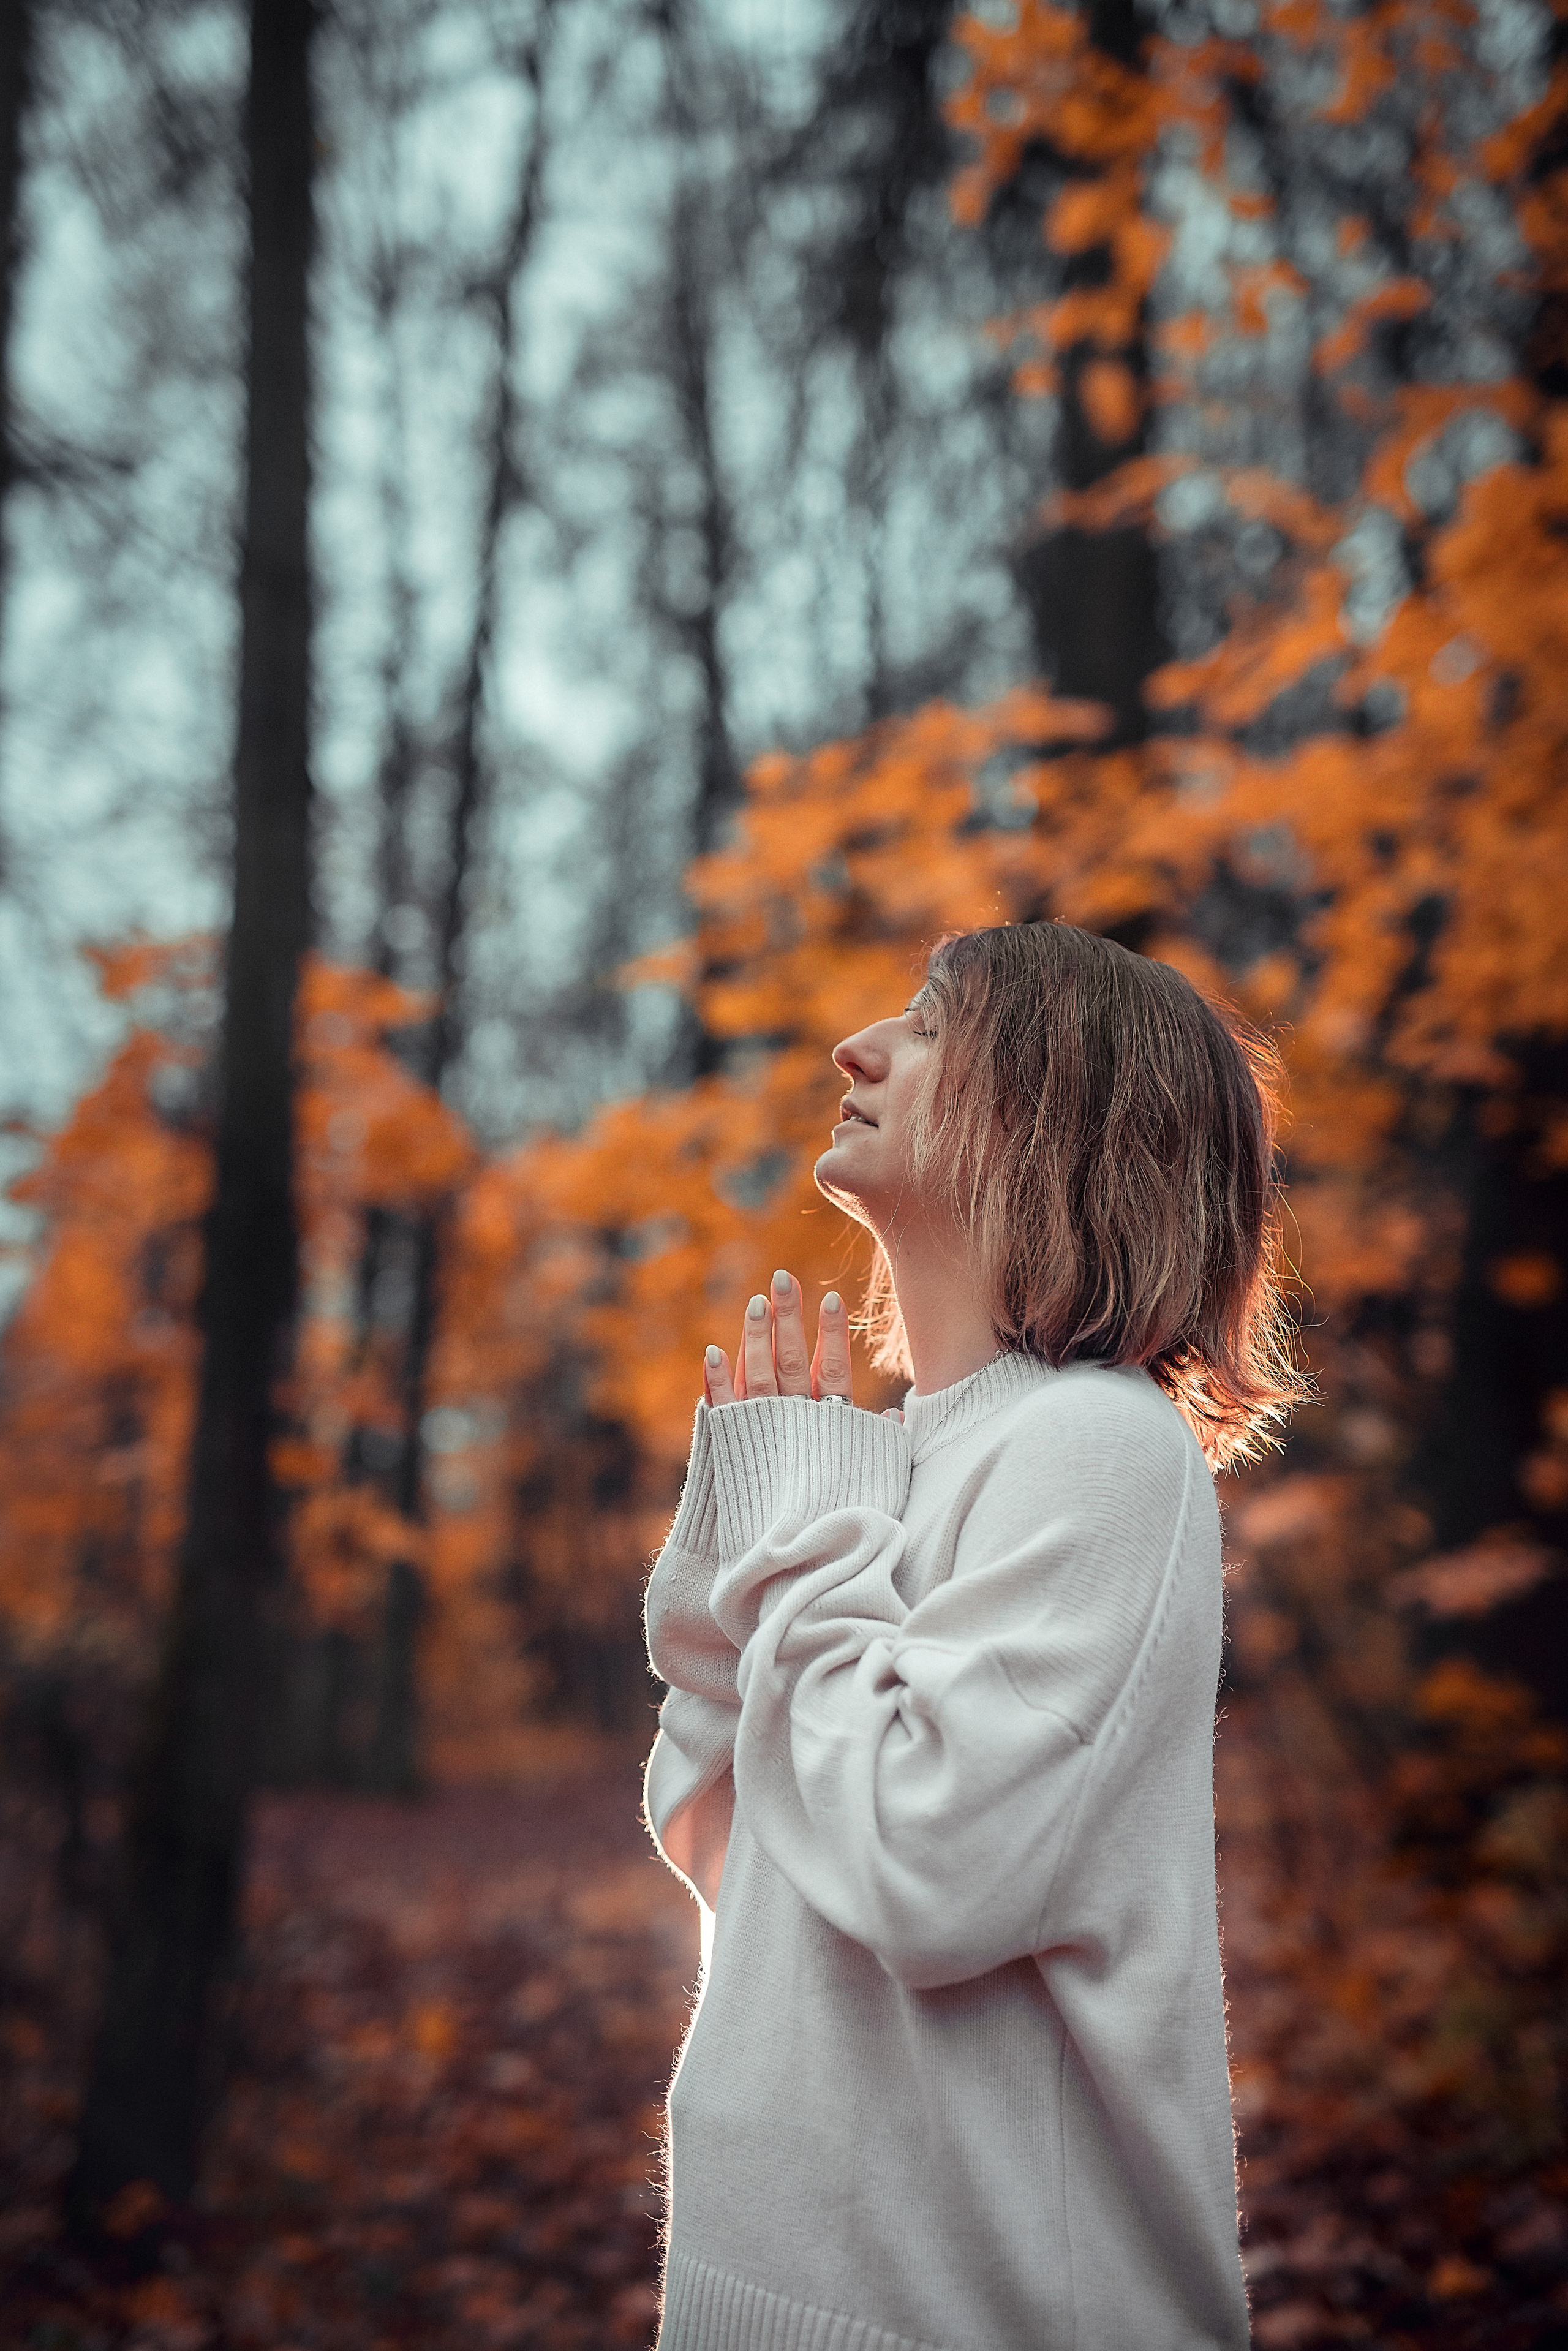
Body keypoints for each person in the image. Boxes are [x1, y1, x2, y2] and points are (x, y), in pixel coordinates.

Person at [641, 919, 1307, 2351]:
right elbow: (723, 1841)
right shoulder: (886, 1460)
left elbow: (924, 1873)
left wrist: (803, 1535)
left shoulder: (1097, 1446)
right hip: (751, 2297)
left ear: (1060, 1116)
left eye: (933, 1026)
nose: (858, 1048)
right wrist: (752, 1513)